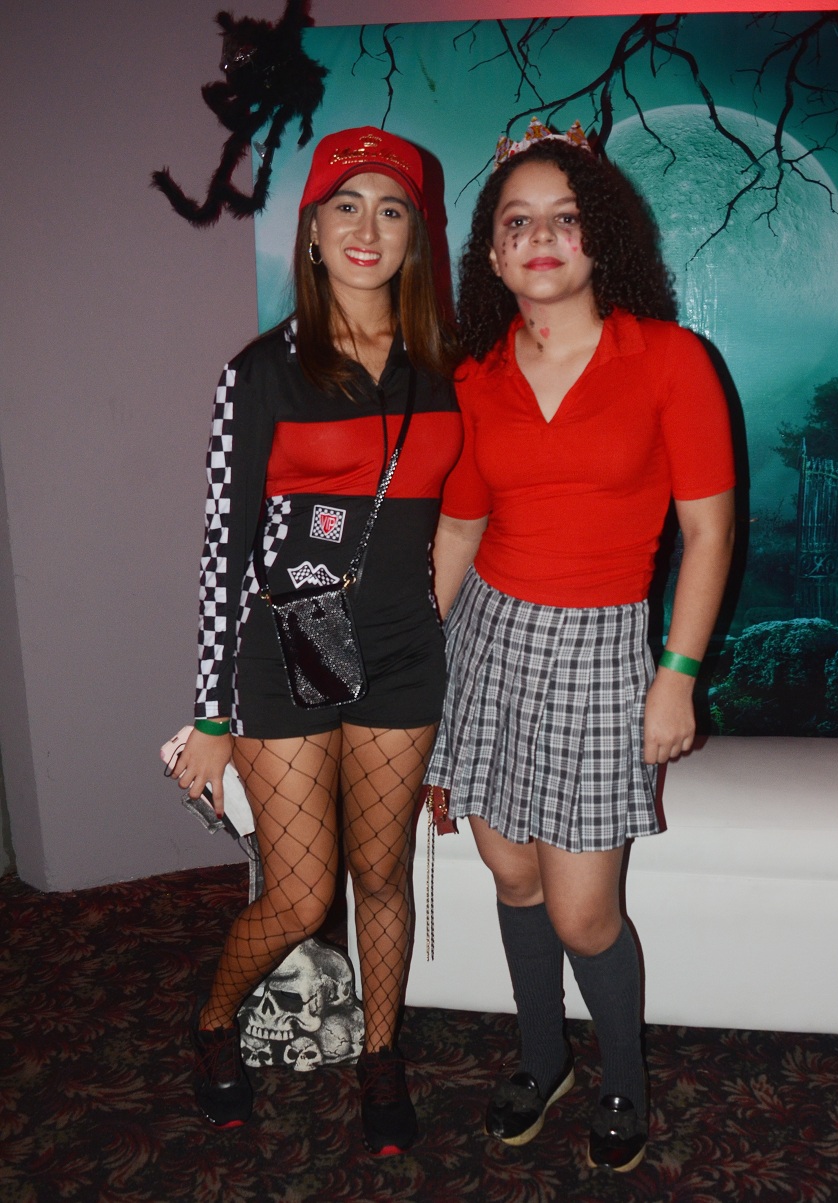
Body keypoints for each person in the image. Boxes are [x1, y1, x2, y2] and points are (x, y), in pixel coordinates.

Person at [426, 118, 735, 1172]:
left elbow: (707, 532)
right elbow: (459, 531)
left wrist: (676, 675)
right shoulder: (475, 376)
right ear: (492, 251)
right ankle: (540, 1054)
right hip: (487, 640)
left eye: (564, 218)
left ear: (599, 236)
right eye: (518, 222)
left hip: (602, 649)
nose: (541, 239)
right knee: (508, 873)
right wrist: (418, 665)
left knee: (584, 911)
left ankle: (622, 1079)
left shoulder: (670, 359)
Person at [171, 126, 462, 1153]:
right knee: (299, 896)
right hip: (281, 655)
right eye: (345, 205)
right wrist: (210, 714)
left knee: (383, 876)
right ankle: (214, 1025)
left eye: (390, 208)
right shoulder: (258, 373)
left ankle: (381, 1054)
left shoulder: (446, 373)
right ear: (310, 231)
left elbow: (462, 526)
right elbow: (224, 549)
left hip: (403, 654)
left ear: (415, 235)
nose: (366, 227)